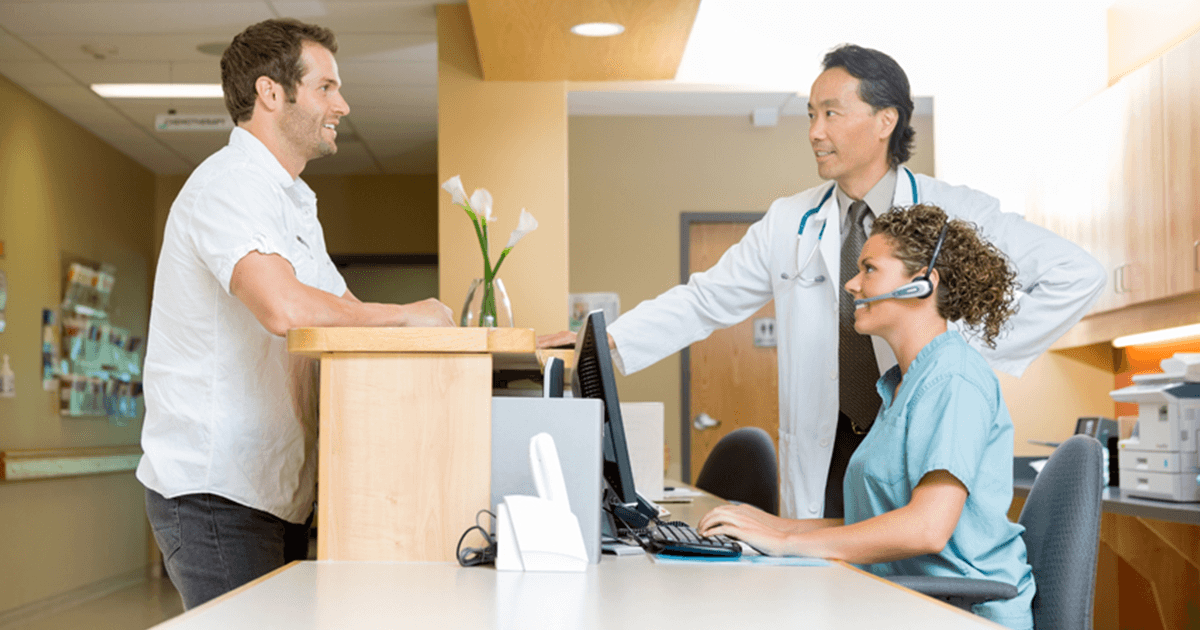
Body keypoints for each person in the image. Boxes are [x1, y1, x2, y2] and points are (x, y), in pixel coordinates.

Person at [541, 44, 1104, 520]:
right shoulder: (791, 220)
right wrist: (604, 342)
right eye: (811, 114)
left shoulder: (951, 213)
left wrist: (960, 353)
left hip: (916, 439)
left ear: (886, 121)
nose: (814, 131)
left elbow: (1077, 274)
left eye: (832, 114)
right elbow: (706, 298)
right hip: (827, 449)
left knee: (907, 578)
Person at [137, 18, 455, 609]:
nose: (343, 104)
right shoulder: (228, 185)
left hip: (274, 491)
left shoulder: (292, 203)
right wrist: (407, 315)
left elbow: (345, 313)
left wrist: (463, 335)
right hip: (217, 495)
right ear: (271, 92)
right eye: (327, 87)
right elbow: (283, 307)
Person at [699, 204, 1035, 630]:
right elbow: (876, 523)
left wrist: (784, 542)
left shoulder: (954, 379)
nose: (852, 284)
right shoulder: (902, 384)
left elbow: (927, 528)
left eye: (869, 269)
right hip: (908, 600)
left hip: (963, 614)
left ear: (921, 284)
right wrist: (778, 526)